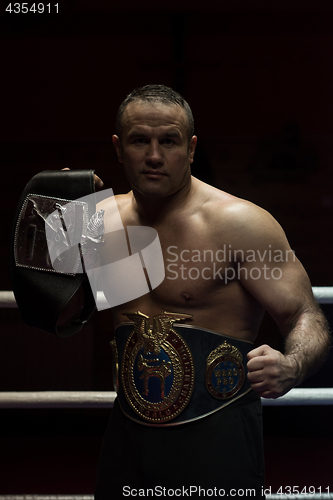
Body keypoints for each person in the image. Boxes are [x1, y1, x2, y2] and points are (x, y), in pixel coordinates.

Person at [74, 85, 331, 498]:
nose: (154, 156)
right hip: (127, 433)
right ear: (119, 148)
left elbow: (305, 315)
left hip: (218, 433)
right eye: (141, 140)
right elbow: (55, 303)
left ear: (191, 149)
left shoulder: (240, 224)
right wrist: (46, 227)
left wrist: (293, 364)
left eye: (169, 141)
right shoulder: (95, 221)